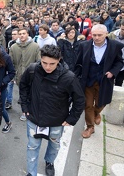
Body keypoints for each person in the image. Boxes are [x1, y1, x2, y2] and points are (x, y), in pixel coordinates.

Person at [19, 45, 85, 176]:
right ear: (40, 59)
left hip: (57, 120)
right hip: (34, 117)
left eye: (52, 64)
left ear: (59, 60)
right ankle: (31, 173)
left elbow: (80, 99)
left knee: (54, 145)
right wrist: (25, 106)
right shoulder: (32, 70)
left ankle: (49, 161)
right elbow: (23, 85)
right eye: (44, 63)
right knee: (32, 146)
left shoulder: (69, 77)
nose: (48, 67)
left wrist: (72, 118)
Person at [74, 24, 124, 138]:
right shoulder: (84, 45)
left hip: (105, 81)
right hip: (88, 81)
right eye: (94, 35)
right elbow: (78, 63)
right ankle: (90, 127)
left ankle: (96, 113)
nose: (96, 37)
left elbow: (120, 62)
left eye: (99, 35)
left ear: (106, 34)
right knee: (87, 105)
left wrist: (113, 72)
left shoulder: (115, 46)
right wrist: (74, 77)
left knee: (102, 103)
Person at [9, 28, 41, 120]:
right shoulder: (13, 47)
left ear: (27, 34)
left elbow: (38, 61)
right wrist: (13, 75)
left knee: (33, 94)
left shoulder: (35, 46)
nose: (22, 35)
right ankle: (24, 112)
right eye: (20, 34)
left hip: (33, 75)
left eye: (24, 33)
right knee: (23, 95)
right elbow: (11, 62)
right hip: (19, 76)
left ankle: (33, 110)